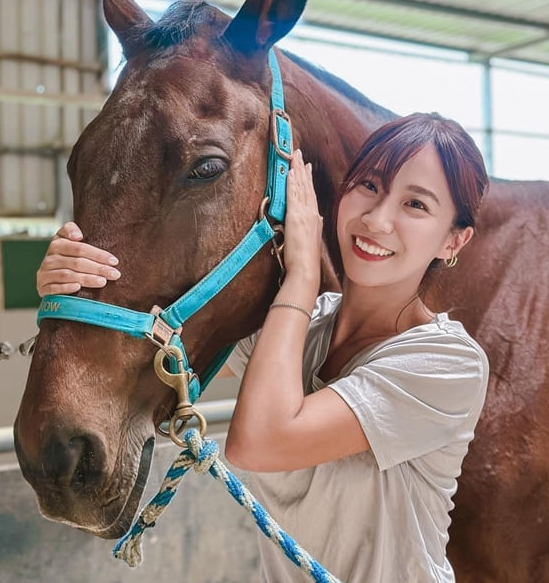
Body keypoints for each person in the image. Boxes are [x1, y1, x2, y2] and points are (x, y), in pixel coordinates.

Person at [35, 112, 491, 583]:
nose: (378, 220)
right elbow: (154, 345)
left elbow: (260, 442)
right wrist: (75, 291)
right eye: (370, 186)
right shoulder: (299, 327)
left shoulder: (446, 364)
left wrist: (301, 275)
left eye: (415, 205)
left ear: (454, 240)